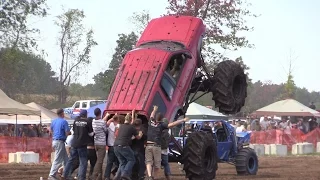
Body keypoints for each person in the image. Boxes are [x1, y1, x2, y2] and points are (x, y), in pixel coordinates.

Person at [145, 105, 190, 180]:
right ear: (162, 120)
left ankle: (149, 176)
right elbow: (172, 124)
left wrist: (154, 110)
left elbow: (151, 115)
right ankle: (154, 177)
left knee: (149, 162)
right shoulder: (162, 126)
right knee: (157, 164)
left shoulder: (151, 122)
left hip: (149, 145)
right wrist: (182, 120)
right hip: (157, 146)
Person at [62, 110, 94, 180]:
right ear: (86, 115)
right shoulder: (87, 121)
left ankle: (64, 174)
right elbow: (91, 133)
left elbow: (73, 131)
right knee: (83, 161)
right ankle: (81, 177)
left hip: (74, 143)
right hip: (82, 144)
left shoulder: (76, 120)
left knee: (71, 160)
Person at [113, 114, 143, 180]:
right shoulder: (132, 127)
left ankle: (118, 177)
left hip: (115, 146)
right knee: (132, 159)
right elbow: (138, 137)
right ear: (130, 120)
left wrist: (133, 114)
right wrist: (140, 134)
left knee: (123, 162)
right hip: (124, 145)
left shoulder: (121, 126)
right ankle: (125, 173)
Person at [48, 108, 70, 180]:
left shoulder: (54, 121)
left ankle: (66, 174)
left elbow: (50, 130)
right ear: (62, 113)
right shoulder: (64, 122)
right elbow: (67, 132)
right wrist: (70, 134)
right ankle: (51, 175)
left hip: (55, 140)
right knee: (57, 159)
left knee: (66, 159)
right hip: (60, 141)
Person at [92, 108, 108, 180]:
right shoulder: (102, 122)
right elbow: (106, 131)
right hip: (102, 143)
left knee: (99, 160)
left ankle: (100, 177)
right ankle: (94, 175)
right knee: (100, 161)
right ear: (100, 113)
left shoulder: (93, 121)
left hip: (95, 142)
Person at [104, 114, 121, 180]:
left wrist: (112, 118)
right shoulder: (119, 126)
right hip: (117, 146)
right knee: (119, 162)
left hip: (110, 146)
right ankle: (116, 174)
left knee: (109, 162)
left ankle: (107, 176)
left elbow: (107, 122)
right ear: (118, 120)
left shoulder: (110, 125)